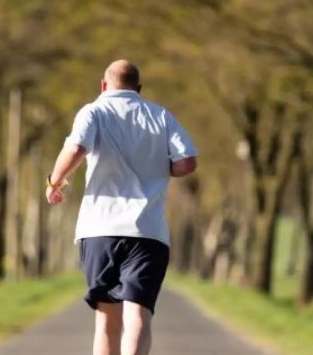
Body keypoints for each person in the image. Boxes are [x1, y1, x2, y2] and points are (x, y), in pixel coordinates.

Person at [45, 60, 198, 355]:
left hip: (100, 230)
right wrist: (159, 169)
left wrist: (54, 181)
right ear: (138, 89)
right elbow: (187, 161)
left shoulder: (94, 111)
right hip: (148, 233)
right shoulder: (161, 116)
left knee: (106, 321)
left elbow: (76, 148)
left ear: (104, 85)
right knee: (138, 316)